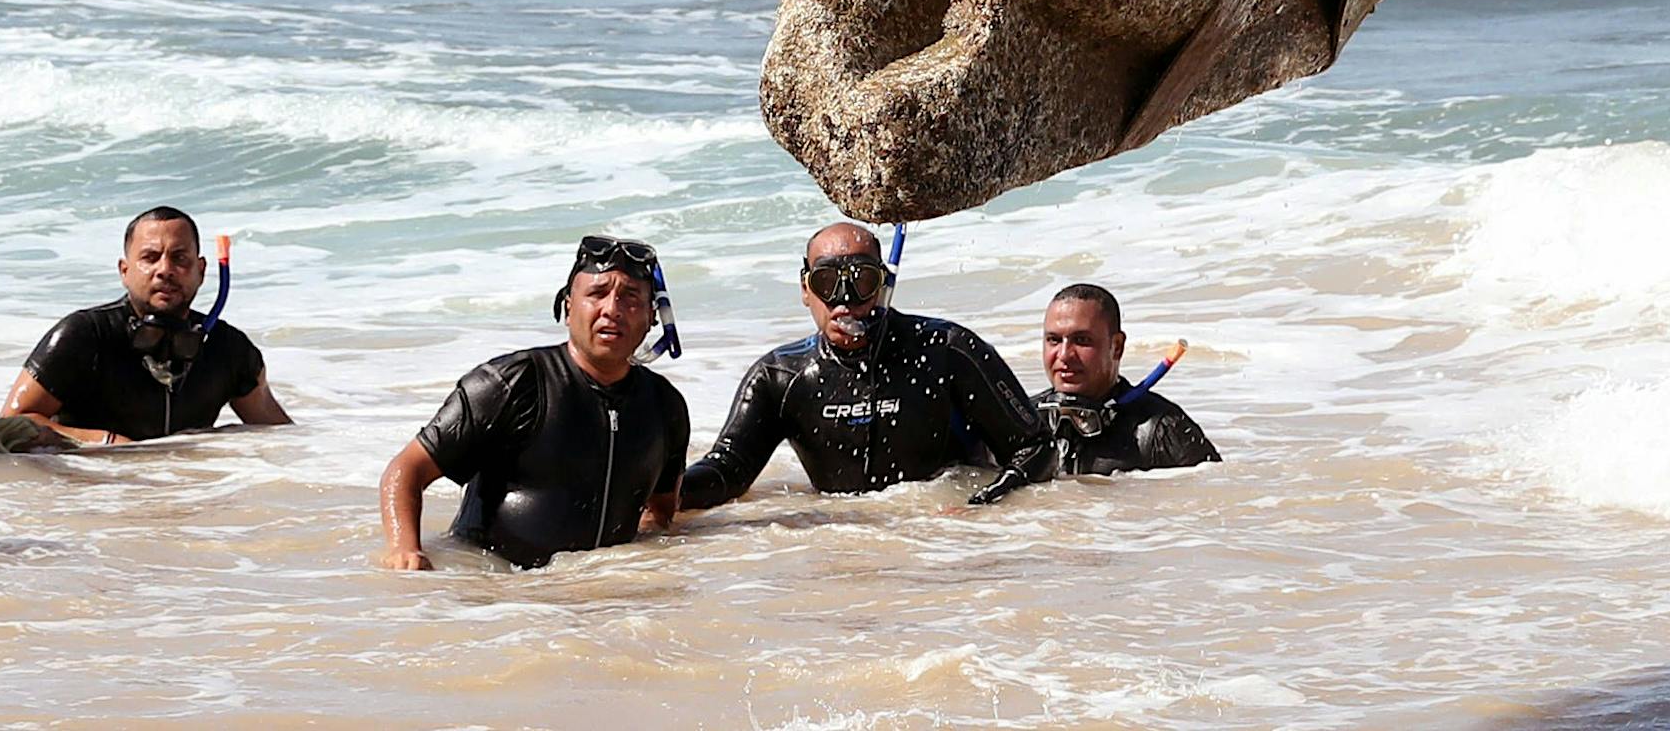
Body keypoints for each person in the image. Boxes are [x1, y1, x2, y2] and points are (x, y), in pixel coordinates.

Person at [679, 220, 1053, 511]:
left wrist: (980, 508)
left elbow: (1035, 448)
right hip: (846, 549)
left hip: (946, 545)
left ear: (883, 286)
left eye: (861, 281)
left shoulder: (946, 351)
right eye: (826, 281)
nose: (845, 300)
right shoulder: (780, 377)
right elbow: (728, 469)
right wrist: (665, 491)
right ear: (805, 290)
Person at [378, 235, 690, 570]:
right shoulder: (513, 384)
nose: (611, 309)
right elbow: (407, 470)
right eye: (596, 294)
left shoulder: (664, 405)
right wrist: (404, 549)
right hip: (497, 595)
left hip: (603, 594)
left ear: (651, 317)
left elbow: (659, 513)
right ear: (568, 308)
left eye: (630, 298)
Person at [0, 205, 291, 448]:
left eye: (179, 258)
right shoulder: (85, 334)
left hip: (190, 501)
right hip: (88, 494)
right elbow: (10, 425)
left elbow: (280, 437)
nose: (165, 270)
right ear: (125, 270)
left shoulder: (227, 347)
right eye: (150, 258)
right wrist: (107, 444)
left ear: (201, 270)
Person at [1035, 282, 1220, 475]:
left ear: (1117, 346)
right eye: (1054, 340)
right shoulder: (1024, 422)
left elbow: (1218, 496)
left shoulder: (1161, 431)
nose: (1064, 354)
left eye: (1082, 340)